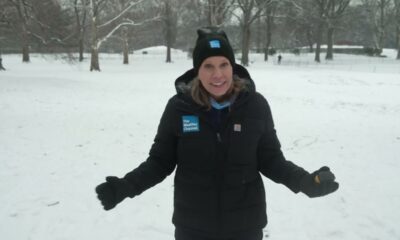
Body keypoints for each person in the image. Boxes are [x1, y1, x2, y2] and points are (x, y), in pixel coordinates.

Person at [95, 27, 339, 240]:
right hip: (193, 227)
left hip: (245, 226)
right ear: (197, 70)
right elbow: (159, 162)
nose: (218, 74)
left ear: (232, 66)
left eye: (224, 65)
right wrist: (126, 186)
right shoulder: (179, 107)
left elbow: (272, 160)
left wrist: (306, 182)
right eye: (208, 66)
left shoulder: (255, 105)